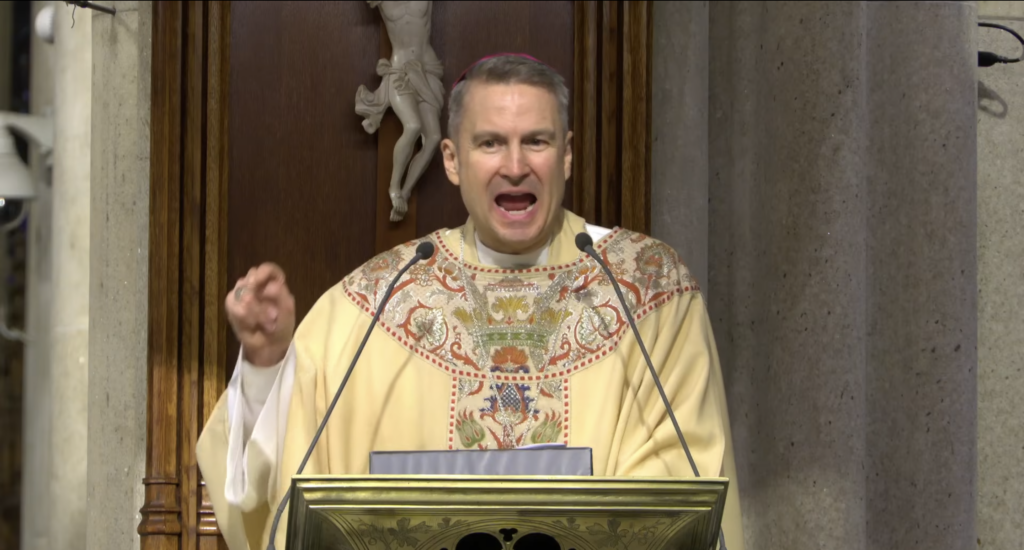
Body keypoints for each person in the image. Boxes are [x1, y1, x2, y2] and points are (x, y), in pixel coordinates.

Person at [197, 53, 745, 550]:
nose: (514, 165)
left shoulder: (647, 290)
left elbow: (687, 482)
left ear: (568, 155)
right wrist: (268, 366)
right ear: (453, 160)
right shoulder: (377, 299)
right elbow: (289, 464)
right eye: (490, 143)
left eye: (537, 141)